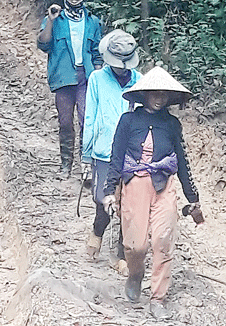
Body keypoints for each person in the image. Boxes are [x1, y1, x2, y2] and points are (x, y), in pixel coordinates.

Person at [102, 66, 204, 319]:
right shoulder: (128, 121)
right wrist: (108, 191)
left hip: (164, 186)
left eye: (164, 94)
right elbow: (116, 157)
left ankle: (158, 297)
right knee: (136, 246)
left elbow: (182, 161)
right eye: (154, 93)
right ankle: (135, 275)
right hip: (134, 183)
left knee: (163, 241)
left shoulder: (172, 124)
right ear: (144, 94)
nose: (159, 98)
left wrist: (193, 199)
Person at [82, 30, 142, 275]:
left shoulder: (140, 80)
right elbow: (89, 116)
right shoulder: (96, 79)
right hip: (104, 151)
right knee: (103, 200)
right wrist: (86, 154)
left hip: (132, 153)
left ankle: (121, 254)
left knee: (129, 204)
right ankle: (98, 229)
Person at [37, 0, 102, 179]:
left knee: (86, 120)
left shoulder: (92, 21)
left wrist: (98, 78)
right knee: (65, 122)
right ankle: (66, 164)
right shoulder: (56, 18)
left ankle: (86, 166)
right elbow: (43, 44)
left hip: (86, 76)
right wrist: (51, 20)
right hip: (63, 76)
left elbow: (97, 51)